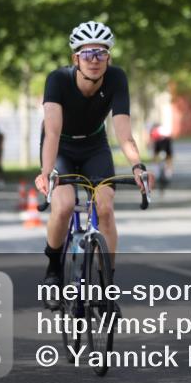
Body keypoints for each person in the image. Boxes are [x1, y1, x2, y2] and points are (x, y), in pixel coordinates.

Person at [36, 21, 153, 298]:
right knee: (63, 206)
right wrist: (46, 172)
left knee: (105, 208)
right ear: (75, 58)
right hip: (61, 146)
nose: (95, 61)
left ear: (109, 57)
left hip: (94, 146)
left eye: (101, 53)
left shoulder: (116, 78)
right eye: (87, 54)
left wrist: (137, 166)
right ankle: (53, 268)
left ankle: (107, 283)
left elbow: (124, 133)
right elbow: (51, 131)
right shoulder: (58, 80)